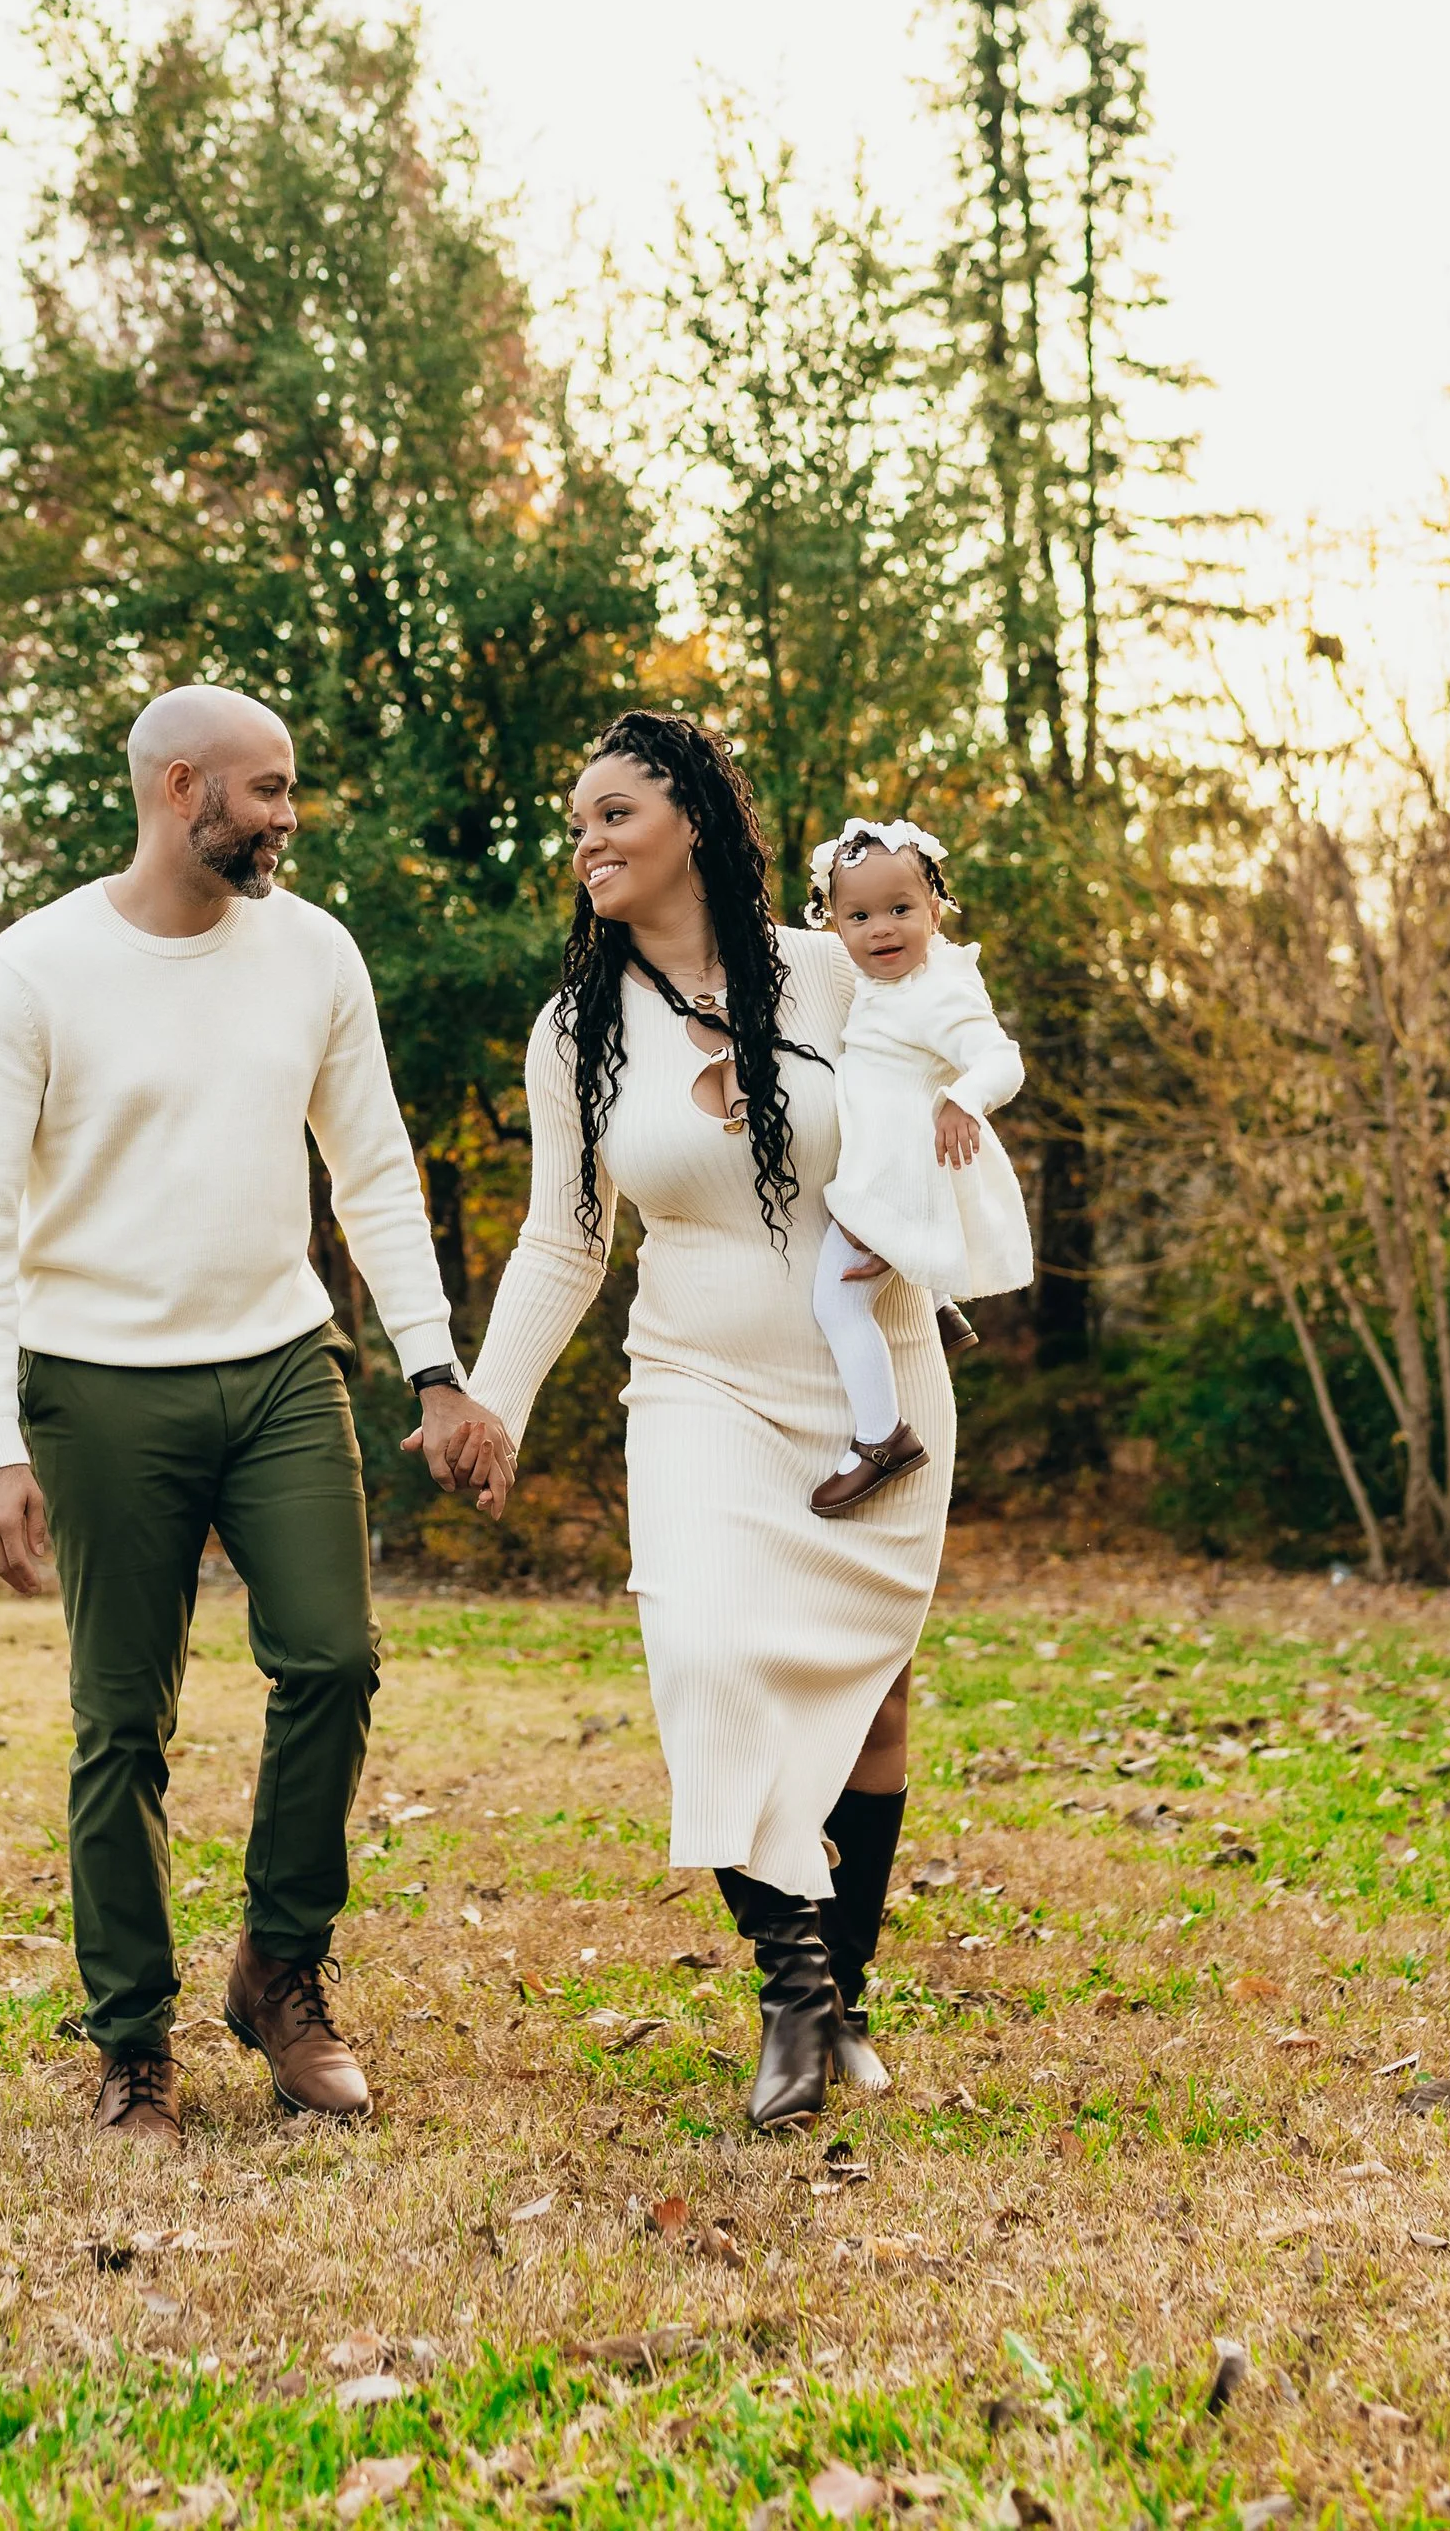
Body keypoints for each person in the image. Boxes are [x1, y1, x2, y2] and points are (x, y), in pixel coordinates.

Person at [0, 684, 515, 2150]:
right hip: (95, 1384)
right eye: (263, 790)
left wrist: (436, 1369)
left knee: (333, 1656)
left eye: (290, 788)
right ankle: (132, 2042)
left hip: (278, 1365)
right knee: (120, 1722)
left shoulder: (312, 953)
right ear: (179, 786)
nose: (286, 814)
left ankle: (280, 1970)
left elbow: (374, 1168)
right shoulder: (35, 970)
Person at [457, 712, 970, 2127]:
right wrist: (494, 1402)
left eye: (614, 812)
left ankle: (848, 1993)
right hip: (694, 1377)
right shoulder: (574, 1032)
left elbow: (948, 1058)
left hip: (869, 1368)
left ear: (690, 815)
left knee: (870, 1696)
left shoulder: (829, 969)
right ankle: (794, 1994)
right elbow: (566, 1242)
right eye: (577, 825)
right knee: (703, 1645)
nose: (588, 844)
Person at [802, 817, 1032, 1517]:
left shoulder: (938, 989)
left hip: (898, 1176)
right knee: (854, 1282)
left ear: (935, 910)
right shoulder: (883, 981)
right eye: (860, 916)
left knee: (835, 1301)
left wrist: (965, 1097)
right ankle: (938, 1309)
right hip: (887, 1164)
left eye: (901, 909)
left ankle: (882, 1437)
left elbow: (1001, 1057)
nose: (882, 929)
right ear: (835, 927)